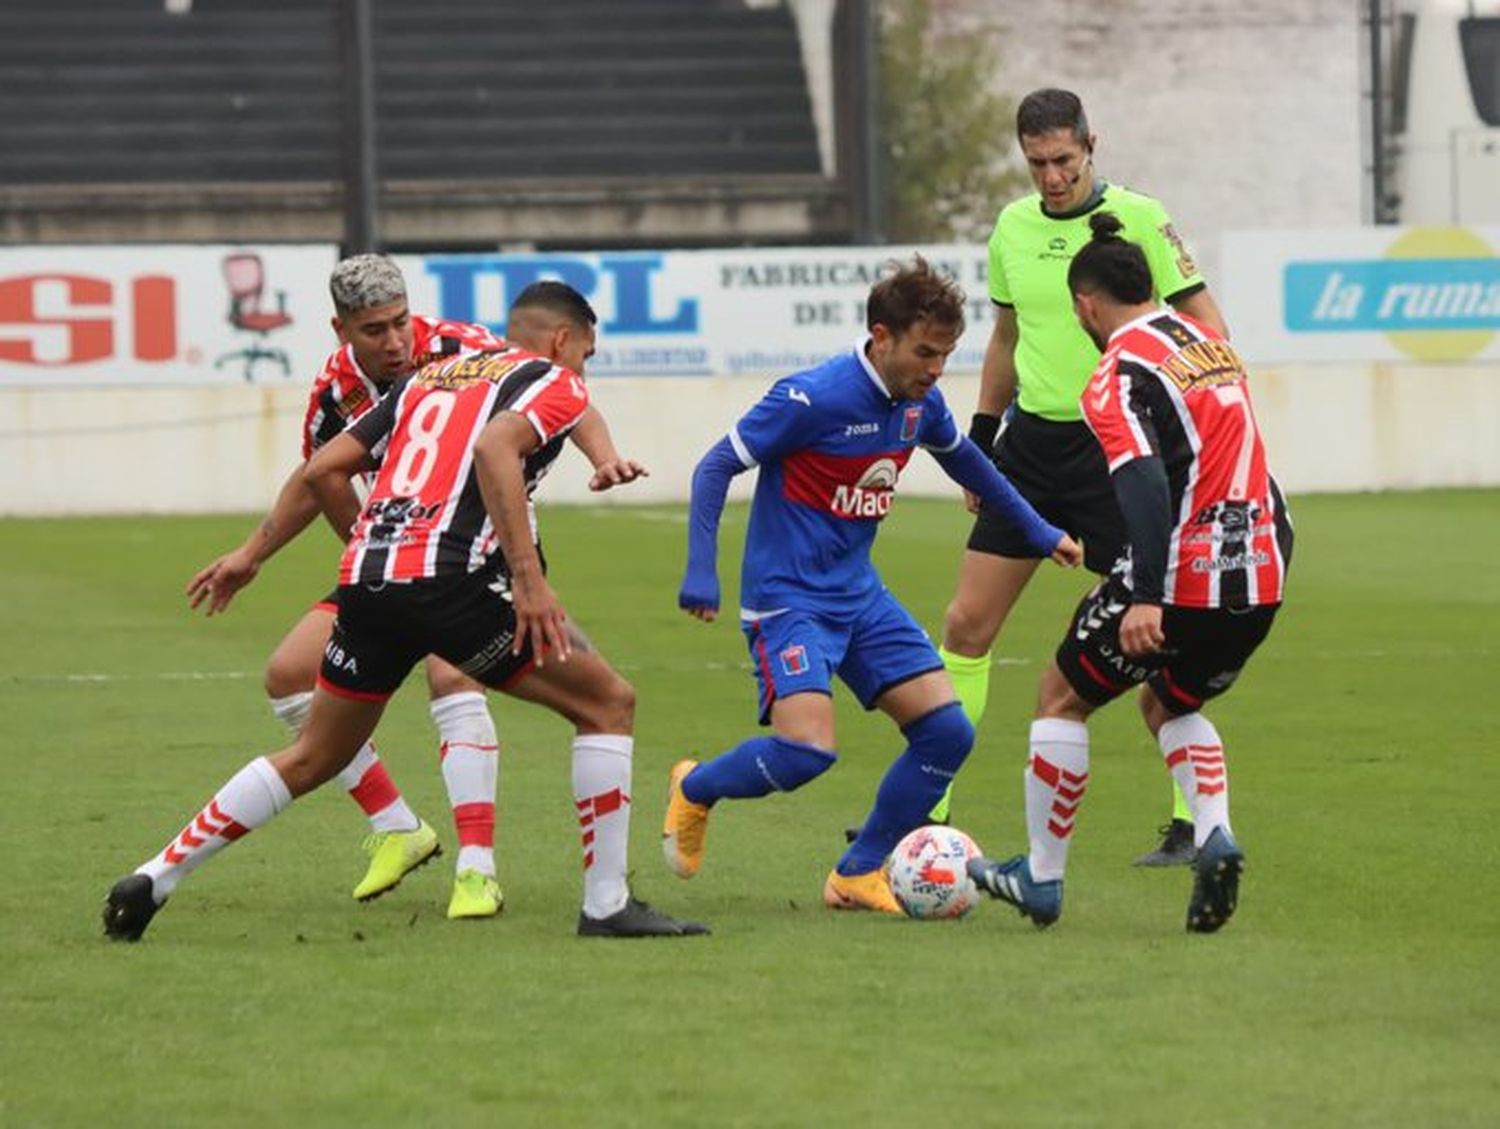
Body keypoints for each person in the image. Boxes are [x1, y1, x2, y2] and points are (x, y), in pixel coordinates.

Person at [103, 282, 706, 942]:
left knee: (313, 755)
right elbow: (494, 449)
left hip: (368, 580)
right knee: (607, 703)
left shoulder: (427, 378)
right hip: (453, 583)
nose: (583, 370)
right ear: (563, 341)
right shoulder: (549, 378)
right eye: (586, 354)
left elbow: (324, 470)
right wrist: (529, 582)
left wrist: (377, 540)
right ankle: (606, 904)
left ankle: (154, 875)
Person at [664, 258, 1081, 913]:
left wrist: (1035, 528)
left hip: (860, 597)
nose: (936, 368)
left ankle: (857, 872)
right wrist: (701, 568)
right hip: (788, 600)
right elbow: (716, 465)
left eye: (945, 354)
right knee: (808, 751)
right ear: (880, 337)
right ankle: (697, 788)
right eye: (924, 352)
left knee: (948, 733)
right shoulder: (813, 397)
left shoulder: (921, 404)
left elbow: (968, 460)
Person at [967, 213, 1293, 932]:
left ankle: (1041, 878)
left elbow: (1142, 482)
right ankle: (1213, 832)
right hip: (1261, 574)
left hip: (1182, 580)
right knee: (1167, 702)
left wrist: (1145, 594)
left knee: (1059, 696)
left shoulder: (1115, 373)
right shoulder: (1210, 344)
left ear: (1086, 305)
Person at [935, 87, 1232, 867]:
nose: (1052, 178)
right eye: (1037, 164)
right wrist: (982, 437)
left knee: (1158, 627)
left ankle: (1190, 825)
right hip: (1032, 453)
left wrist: (1197, 422)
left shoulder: (1141, 217)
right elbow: (1005, 335)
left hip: (1119, 454)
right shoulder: (1012, 227)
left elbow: (1204, 319)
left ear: (1091, 145)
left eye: (1064, 160)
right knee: (966, 625)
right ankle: (928, 806)